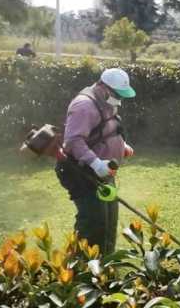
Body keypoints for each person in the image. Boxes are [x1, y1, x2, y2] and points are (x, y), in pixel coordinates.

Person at [55, 68, 136, 254]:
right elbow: (73, 140)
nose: (119, 99)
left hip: (104, 172)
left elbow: (106, 128)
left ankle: (105, 262)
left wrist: (121, 145)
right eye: (117, 94)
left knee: (109, 217)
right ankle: (80, 266)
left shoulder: (107, 102)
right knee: (93, 220)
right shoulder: (84, 106)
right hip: (81, 171)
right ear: (103, 87)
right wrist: (96, 163)